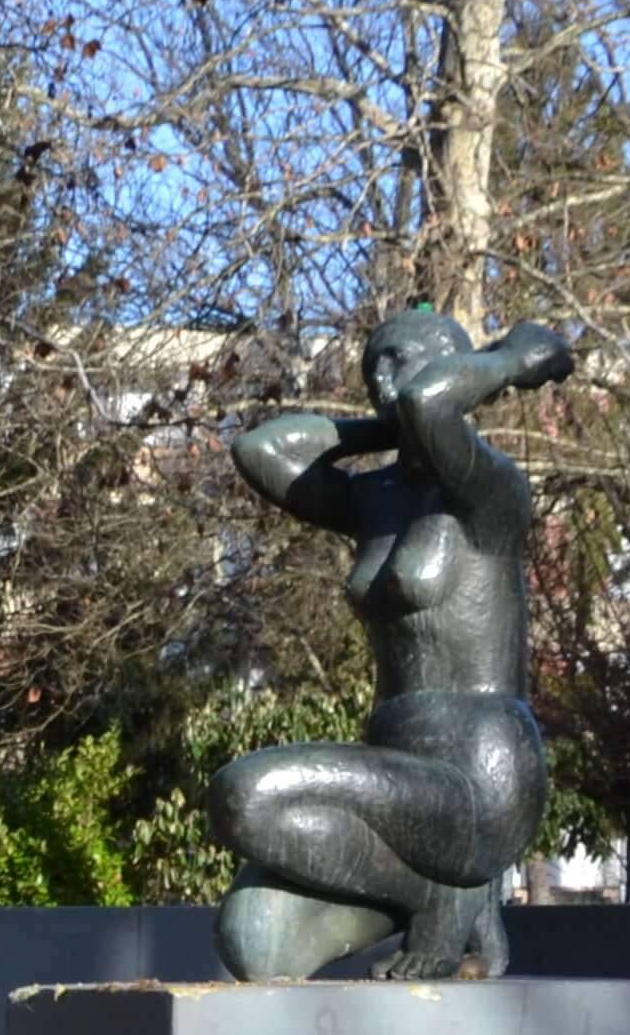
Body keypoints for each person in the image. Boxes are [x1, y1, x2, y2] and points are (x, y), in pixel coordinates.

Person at [209, 308, 576, 981]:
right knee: (255, 938)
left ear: (453, 366)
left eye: (399, 359)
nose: (382, 378)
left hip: (478, 772)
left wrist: (510, 361)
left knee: (244, 794)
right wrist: (381, 427)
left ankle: (448, 894)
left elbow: (429, 401)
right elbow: (260, 449)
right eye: (372, 366)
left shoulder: (488, 491)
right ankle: (441, 895)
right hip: (397, 767)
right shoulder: (375, 499)